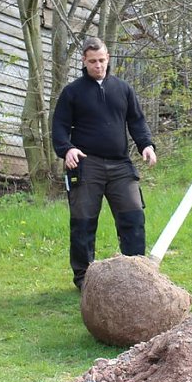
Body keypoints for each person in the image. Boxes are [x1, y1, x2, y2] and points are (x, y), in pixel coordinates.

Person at [52, 38, 157, 290]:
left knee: (133, 215)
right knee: (83, 221)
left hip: (121, 165)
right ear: (84, 62)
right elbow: (59, 127)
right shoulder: (72, 92)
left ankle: (135, 272)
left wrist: (146, 145)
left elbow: (137, 121)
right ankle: (84, 278)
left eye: (101, 60)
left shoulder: (123, 89)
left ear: (108, 57)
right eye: (92, 62)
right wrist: (67, 150)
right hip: (87, 164)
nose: (98, 66)